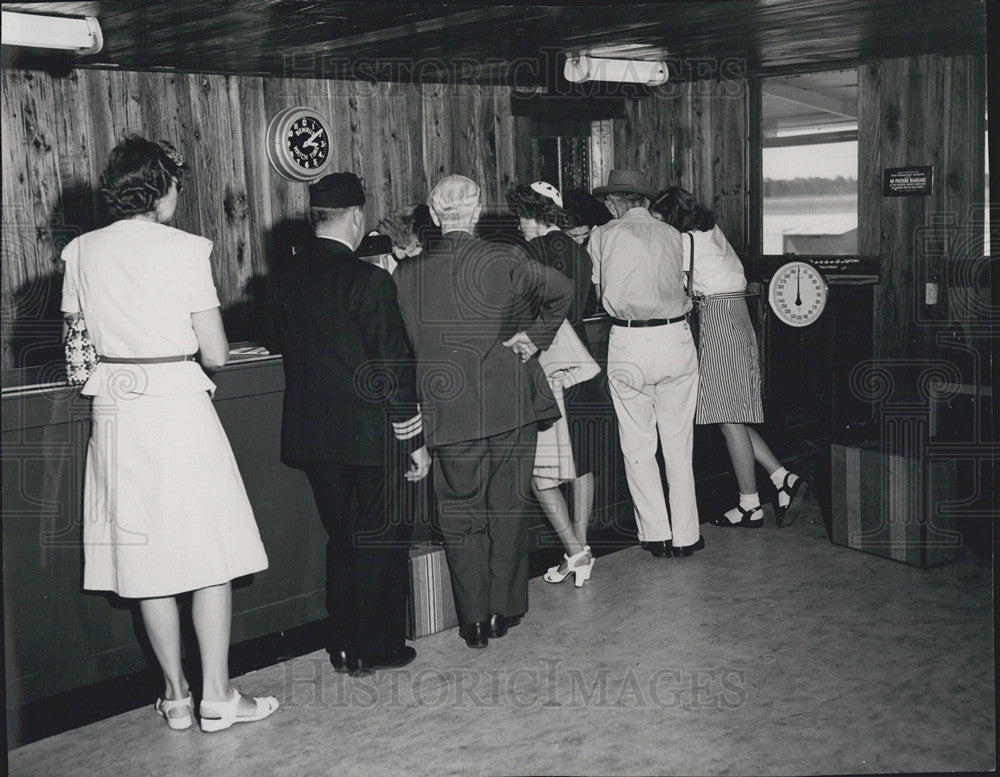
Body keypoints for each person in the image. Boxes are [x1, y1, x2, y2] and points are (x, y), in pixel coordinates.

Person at [60, 135, 276, 732]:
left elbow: (78, 361)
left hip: (117, 415)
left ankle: (176, 697)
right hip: (178, 408)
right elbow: (217, 354)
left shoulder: (79, 251)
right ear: (161, 189)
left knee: (146, 558)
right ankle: (219, 697)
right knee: (209, 555)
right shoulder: (185, 249)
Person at [393, 174, 573, 648]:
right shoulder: (506, 257)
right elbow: (562, 292)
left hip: (448, 414)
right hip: (510, 407)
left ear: (433, 217)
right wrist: (532, 339)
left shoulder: (406, 274)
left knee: (458, 516)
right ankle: (504, 610)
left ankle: (473, 619)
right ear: (476, 213)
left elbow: (407, 350)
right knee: (508, 509)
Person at [272, 172, 432, 677]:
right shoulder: (370, 281)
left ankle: (342, 644)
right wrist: (416, 442)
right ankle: (377, 646)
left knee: (342, 539)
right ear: (357, 218)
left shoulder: (284, 279)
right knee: (381, 541)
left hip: (313, 437)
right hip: (371, 437)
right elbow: (391, 370)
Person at [650, 186, 807, 527]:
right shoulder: (710, 232)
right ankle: (782, 478)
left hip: (718, 318)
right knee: (732, 412)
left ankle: (750, 505)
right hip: (736, 316)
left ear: (672, 219)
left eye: (660, 220)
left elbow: (678, 287)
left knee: (728, 417)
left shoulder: (687, 241)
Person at [588, 169, 704, 558]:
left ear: (617, 201)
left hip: (629, 340)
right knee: (678, 443)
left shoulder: (602, 235)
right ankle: (687, 535)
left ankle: (655, 533)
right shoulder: (675, 235)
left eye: (608, 200)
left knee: (637, 442)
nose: (606, 206)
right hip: (676, 338)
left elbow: (601, 291)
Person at [506, 181, 601, 586]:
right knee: (583, 460)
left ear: (536, 215)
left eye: (522, 217)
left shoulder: (528, 252)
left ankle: (575, 550)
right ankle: (581, 550)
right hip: (584, 363)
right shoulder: (580, 251)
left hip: (546, 365)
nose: (520, 225)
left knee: (538, 468)